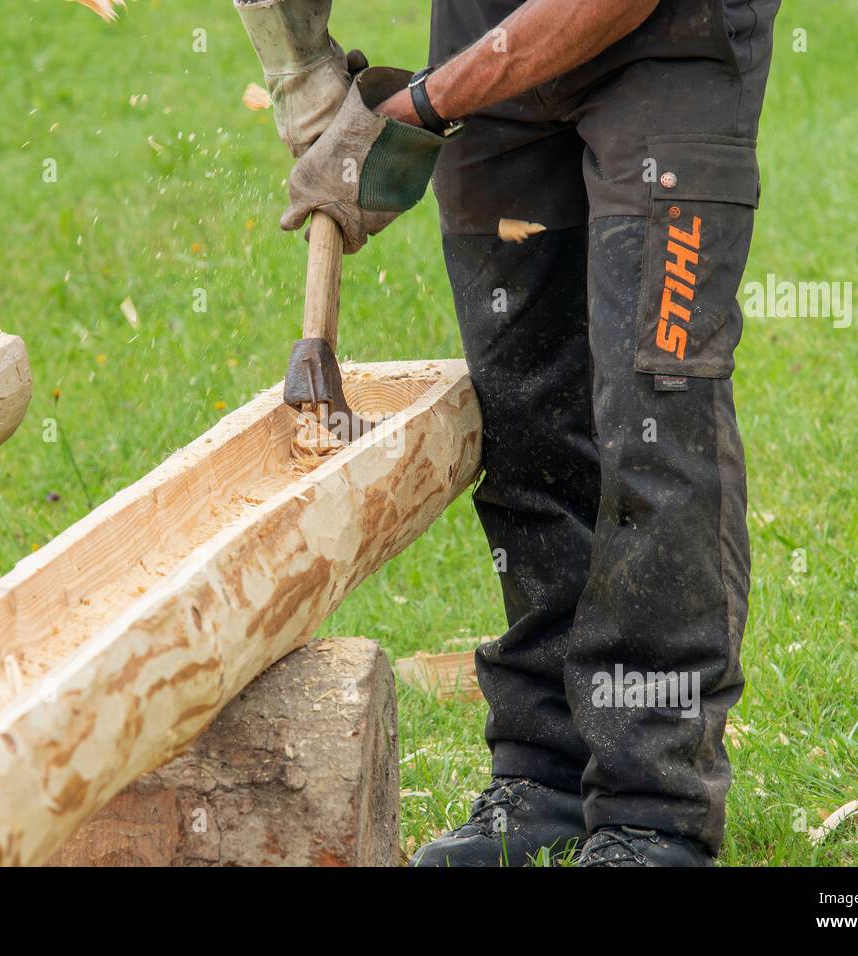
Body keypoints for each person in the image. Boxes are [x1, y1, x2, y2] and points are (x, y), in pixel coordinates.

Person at [235, 0, 779, 866]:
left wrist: (421, 106)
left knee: (654, 412)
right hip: (490, 35)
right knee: (523, 409)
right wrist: (300, 69)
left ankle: (653, 807)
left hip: (670, 42)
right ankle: (547, 771)